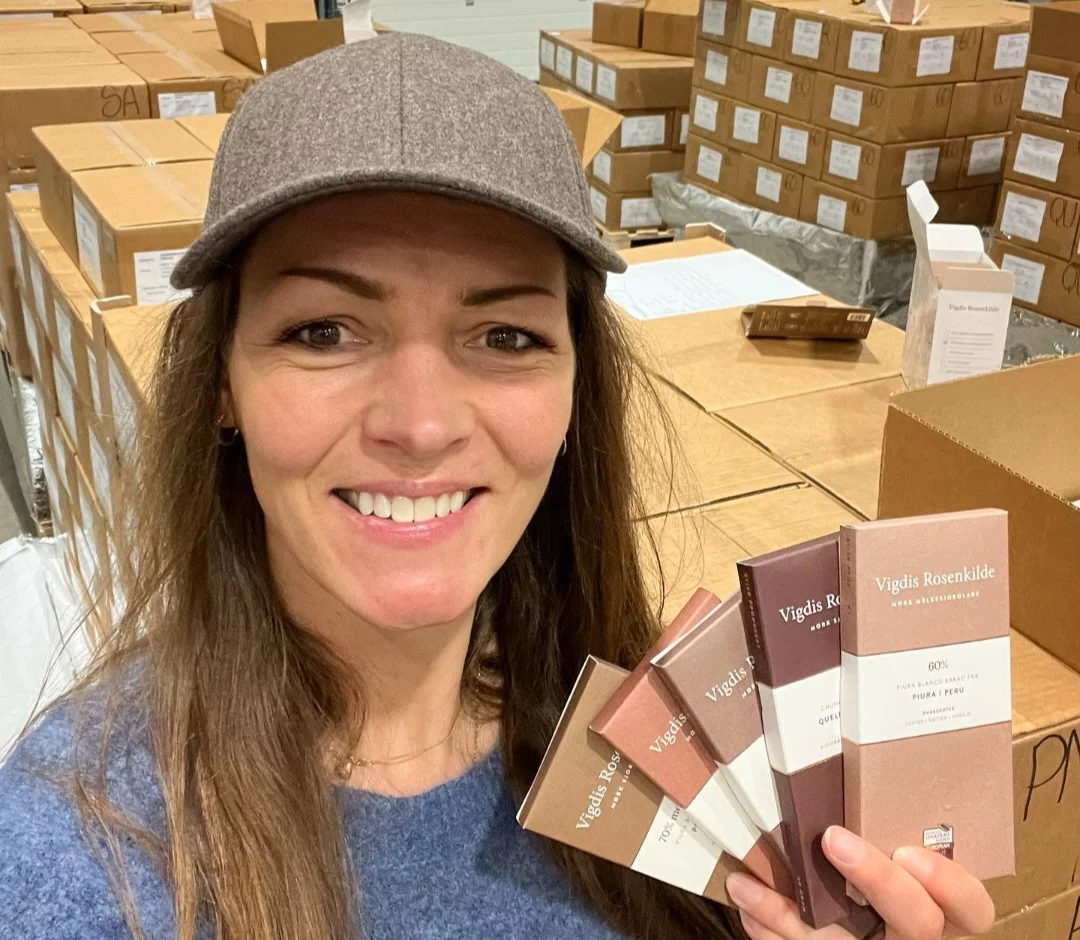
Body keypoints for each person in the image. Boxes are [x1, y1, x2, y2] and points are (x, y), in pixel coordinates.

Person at [0, 32, 995, 940]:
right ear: (223, 381)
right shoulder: (75, 860)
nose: (421, 424)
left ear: (574, 396)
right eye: (325, 331)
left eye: (506, 336)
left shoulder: (693, 756)